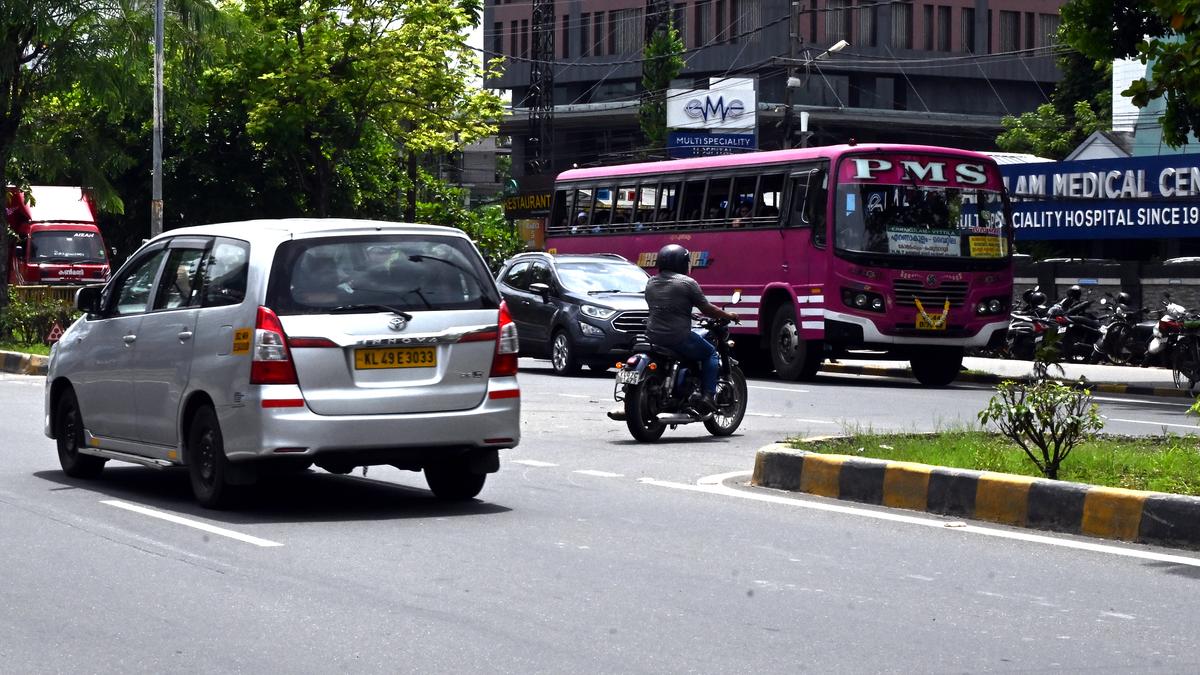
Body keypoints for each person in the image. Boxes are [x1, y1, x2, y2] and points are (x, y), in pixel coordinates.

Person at [644, 244, 740, 415]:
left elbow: (664, 306)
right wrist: (728, 315)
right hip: (677, 337)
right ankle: (707, 397)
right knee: (710, 354)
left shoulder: (651, 282)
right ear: (682, 263)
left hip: (652, 336)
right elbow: (707, 309)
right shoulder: (687, 283)